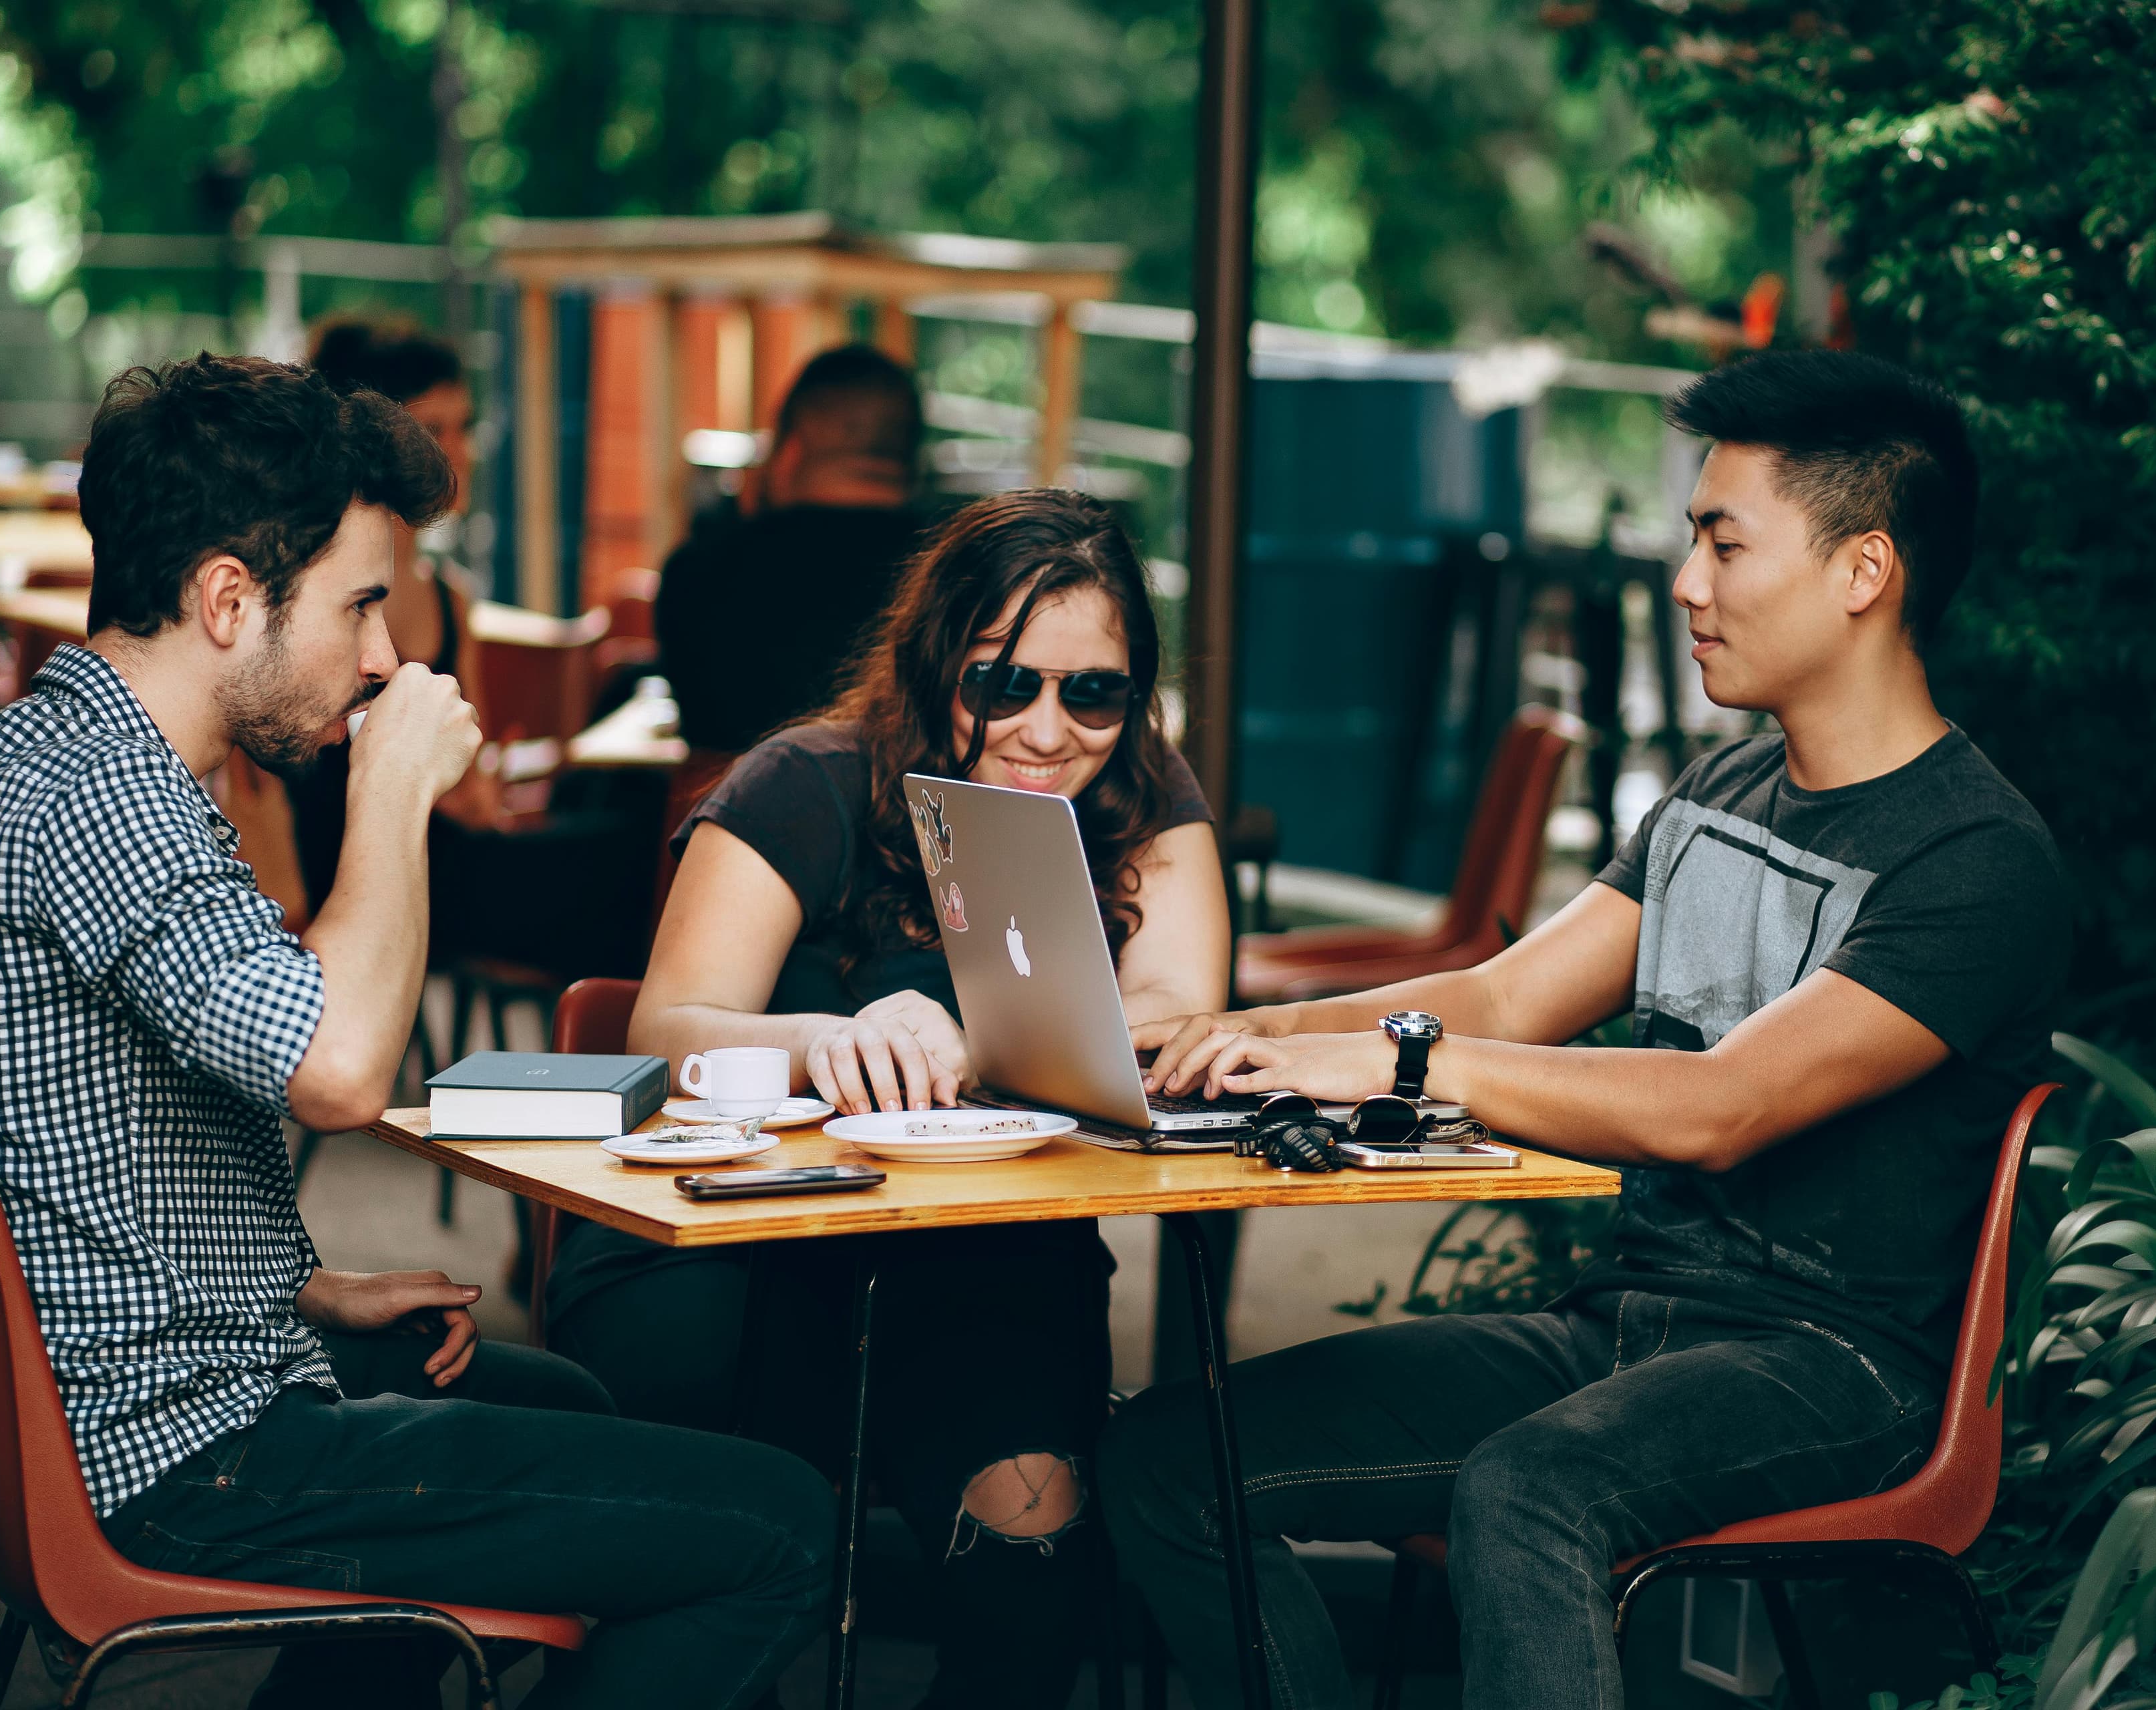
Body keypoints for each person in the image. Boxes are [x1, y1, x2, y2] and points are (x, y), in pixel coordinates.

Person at [0, 354, 832, 1710]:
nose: (385, 653)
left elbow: (68, 1144)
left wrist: (298, 1290)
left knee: (576, 1411)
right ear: (228, 600)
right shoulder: (105, 806)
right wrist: (392, 794)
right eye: (363, 604)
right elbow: (342, 1070)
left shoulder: (7, 764)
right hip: (164, 1453)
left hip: (71, 1411)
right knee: (780, 1524)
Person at [1103, 350, 2072, 1710]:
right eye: (1693, 541)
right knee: (1169, 1462)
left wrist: (1393, 1057)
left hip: (1833, 1365)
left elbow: (1723, 1102)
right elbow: (1503, 997)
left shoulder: (1976, 857)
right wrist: (1224, 1035)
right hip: (1622, 1325)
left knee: (1529, 1488)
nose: (1688, 584)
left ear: (1864, 571)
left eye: (1725, 544)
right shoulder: (1723, 783)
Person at [544, 488, 1230, 1707]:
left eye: (1095, 691)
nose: (1048, 727)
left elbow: (1176, 1015)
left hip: (979, 1265)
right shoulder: (805, 781)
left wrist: (985, 1034)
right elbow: (662, 1033)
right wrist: (830, 1037)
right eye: (1002, 683)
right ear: (933, 670)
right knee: (743, 1547)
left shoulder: (1140, 795)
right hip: (735, 1254)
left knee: (1035, 1558)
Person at [286, 315, 502, 912]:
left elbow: (474, 783)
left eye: (465, 428)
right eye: (434, 429)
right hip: (330, 879)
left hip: (438, 871)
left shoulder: (452, 602)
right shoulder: (303, 596)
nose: (459, 453)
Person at [654, 343, 931, 756]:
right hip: (903, 818)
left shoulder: (697, 571)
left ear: (791, 449)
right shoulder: (955, 573)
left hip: (730, 815)